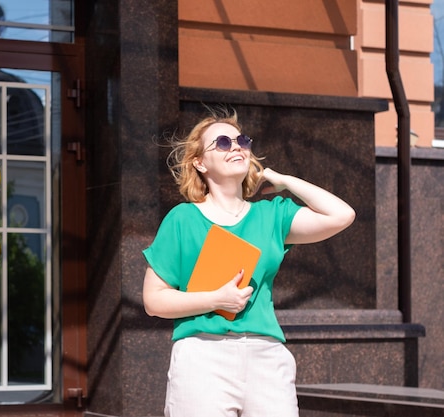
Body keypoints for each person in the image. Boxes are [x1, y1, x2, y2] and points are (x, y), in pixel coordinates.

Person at [142, 108, 355, 417]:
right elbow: (153, 300)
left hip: (265, 356)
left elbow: (342, 216)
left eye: (241, 140)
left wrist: (283, 180)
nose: (237, 147)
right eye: (223, 143)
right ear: (200, 163)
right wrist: (216, 299)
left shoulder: (271, 215)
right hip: (203, 355)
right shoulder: (182, 219)